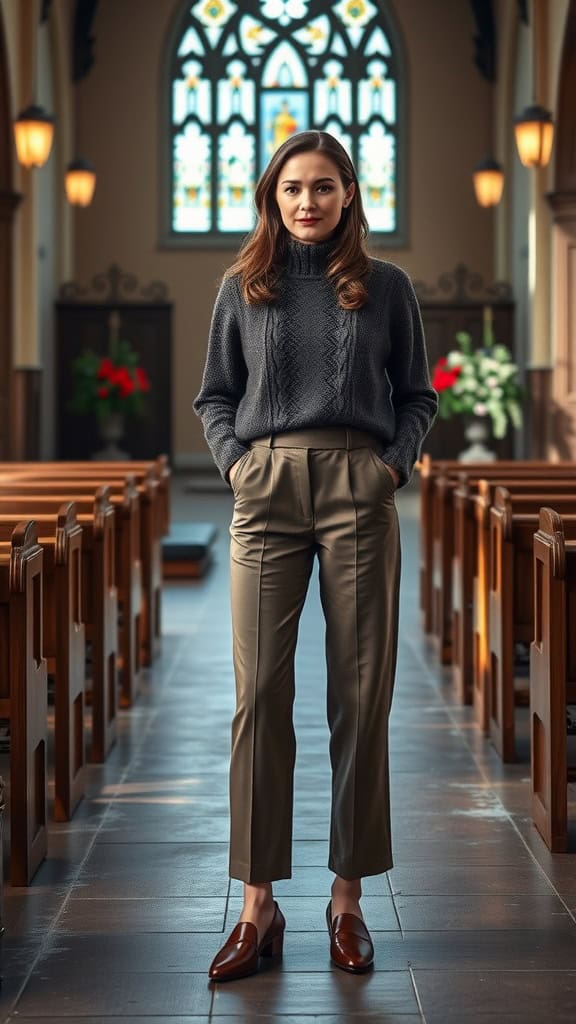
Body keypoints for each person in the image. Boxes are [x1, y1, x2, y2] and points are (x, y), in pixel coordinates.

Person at [193, 130, 438, 982]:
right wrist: (238, 464)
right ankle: (258, 906)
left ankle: (347, 897)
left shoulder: (387, 288)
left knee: (359, 692)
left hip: (359, 491)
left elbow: (418, 396)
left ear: (348, 195)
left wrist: (391, 466)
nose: (308, 201)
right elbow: (214, 396)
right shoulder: (241, 289)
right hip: (266, 490)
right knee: (259, 692)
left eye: (324, 187)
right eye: (293, 188)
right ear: (271, 196)